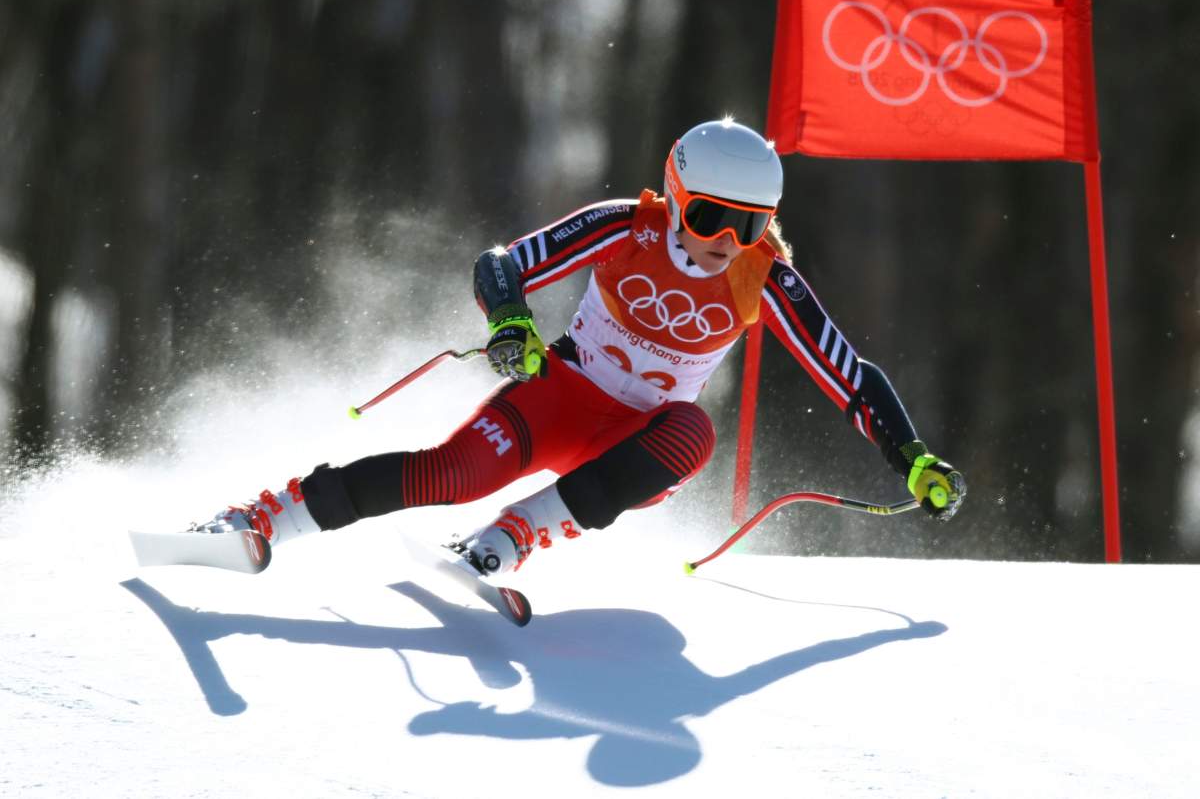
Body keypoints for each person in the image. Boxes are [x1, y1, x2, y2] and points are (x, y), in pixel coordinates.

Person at [193, 118, 966, 575]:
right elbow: (504, 263)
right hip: (560, 394)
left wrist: (913, 457)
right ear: (678, 197)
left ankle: (519, 533)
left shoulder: (766, 279)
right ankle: (271, 515)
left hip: (638, 442)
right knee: (455, 474)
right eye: (709, 220)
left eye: (750, 225)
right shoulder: (627, 226)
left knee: (695, 430)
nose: (726, 243)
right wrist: (510, 324)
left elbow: (850, 377)